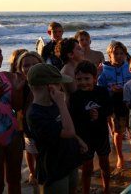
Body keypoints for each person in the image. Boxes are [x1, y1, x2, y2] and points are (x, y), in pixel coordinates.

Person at [26, 63, 88, 194]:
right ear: (50, 87)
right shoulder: (35, 114)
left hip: (69, 161)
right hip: (54, 169)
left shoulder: (53, 103)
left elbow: (66, 128)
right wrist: (62, 103)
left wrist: (77, 139)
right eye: (59, 84)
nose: (61, 87)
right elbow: (68, 131)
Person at [70, 60, 112, 194]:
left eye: (87, 78)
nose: (83, 82)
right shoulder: (75, 97)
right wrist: (87, 115)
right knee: (87, 169)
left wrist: (99, 114)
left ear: (95, 78)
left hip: (101, 135)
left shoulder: (102, 92)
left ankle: (106, 189)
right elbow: (73, 118)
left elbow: (110, 110)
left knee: (105, 164)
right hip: (85, 138)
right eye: (79, 79)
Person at [0, 40, 24, 194]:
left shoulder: (5, 76)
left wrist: (18, 90)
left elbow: (16, 107)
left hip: (12, 135)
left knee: (15, 179)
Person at [97, 41, 131, 169]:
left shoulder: (129, 67)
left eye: (121, 53)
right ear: (109, 55)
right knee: (118, 132)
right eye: (115, 53)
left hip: (129, 102)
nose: (118, 56)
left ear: (125, 55)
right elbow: (100, 89)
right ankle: (120, 156)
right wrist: (110, 90)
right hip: (115, 104)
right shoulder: (104, 71)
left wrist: (124, 88)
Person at [16, 51, 44, 186]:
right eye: (26, 65)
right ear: (20, 69)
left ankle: (42, 171)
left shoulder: (48, 84)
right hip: (28, 127)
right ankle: (32, 171)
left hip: (45, 127)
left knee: (42, 153)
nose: (31, 67)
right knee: (30, 150)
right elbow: (18, 107)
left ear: (42, 65)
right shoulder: (20, 86)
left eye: (35, 64)